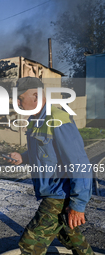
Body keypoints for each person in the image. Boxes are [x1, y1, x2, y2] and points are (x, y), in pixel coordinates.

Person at [6, 77, 94, 254]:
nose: (17, 103)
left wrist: (78, 204)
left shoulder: (58, 119)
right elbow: (44, 153)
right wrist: (23, 157)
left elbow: (79, 164)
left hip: (59, 194)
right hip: (54, 192)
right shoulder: (35, 120)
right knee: (73, 238)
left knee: (30, 245)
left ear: (36, 96)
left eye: (20, 98)